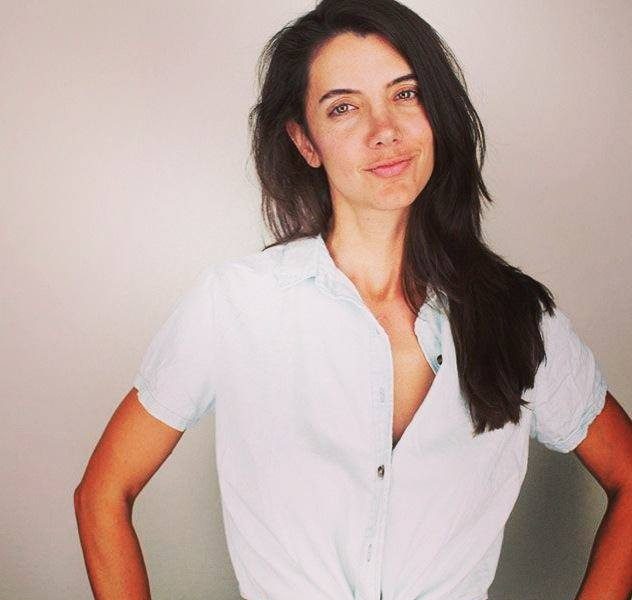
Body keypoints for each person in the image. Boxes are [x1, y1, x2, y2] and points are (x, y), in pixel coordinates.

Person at [73, 1, 632, 599]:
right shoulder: (235, 304)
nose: (383, 130)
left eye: (406, 94)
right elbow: (103, 492)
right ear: (305, 141)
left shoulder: (519, 318)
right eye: (343, 107)